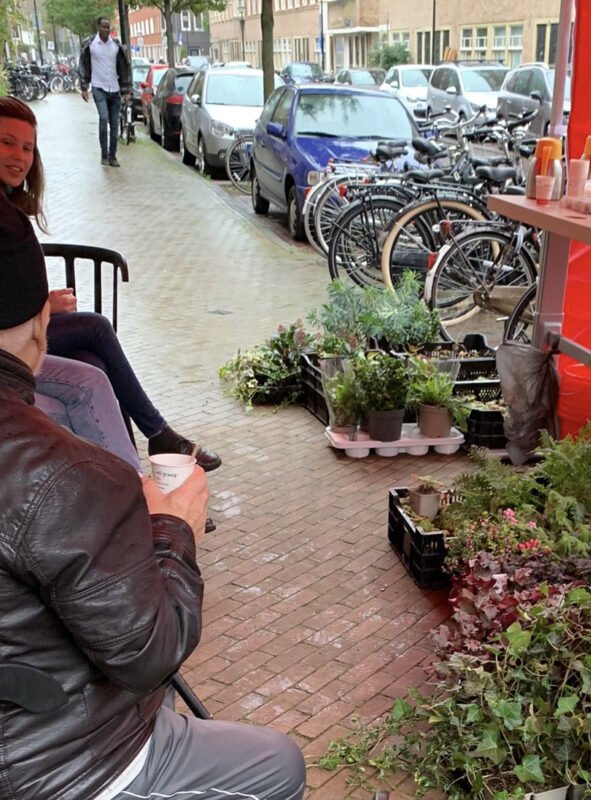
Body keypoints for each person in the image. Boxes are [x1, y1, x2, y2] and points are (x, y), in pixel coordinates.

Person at [0, 204, 306, 800]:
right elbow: (147, 655)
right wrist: (173, 528)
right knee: (277, 765)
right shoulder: (58, 473)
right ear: (41, 323)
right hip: (50, 765)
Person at [0, 95, 222, 471]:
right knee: (93, 356)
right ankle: (141, 483)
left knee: (93, 356)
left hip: (18, 344)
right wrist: (44, 305)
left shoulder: (9, 207)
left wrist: (39, 304)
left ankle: (141, 468)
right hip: (9, 357)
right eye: (7, 143)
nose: (20, 156)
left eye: (28, 147)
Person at [79, 17, 132, 167]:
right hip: (98, 87)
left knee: (114, 124)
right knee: (103, 118)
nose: (106, 30)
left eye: (108, 27)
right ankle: (103, 154)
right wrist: (84, 87)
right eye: (103, 27)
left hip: (114, 89)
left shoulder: (115, 46)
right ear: (98, 28)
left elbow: (124, 67)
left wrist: (126, 89)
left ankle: (112, 156)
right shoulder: (90, 45)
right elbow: (83, 64)